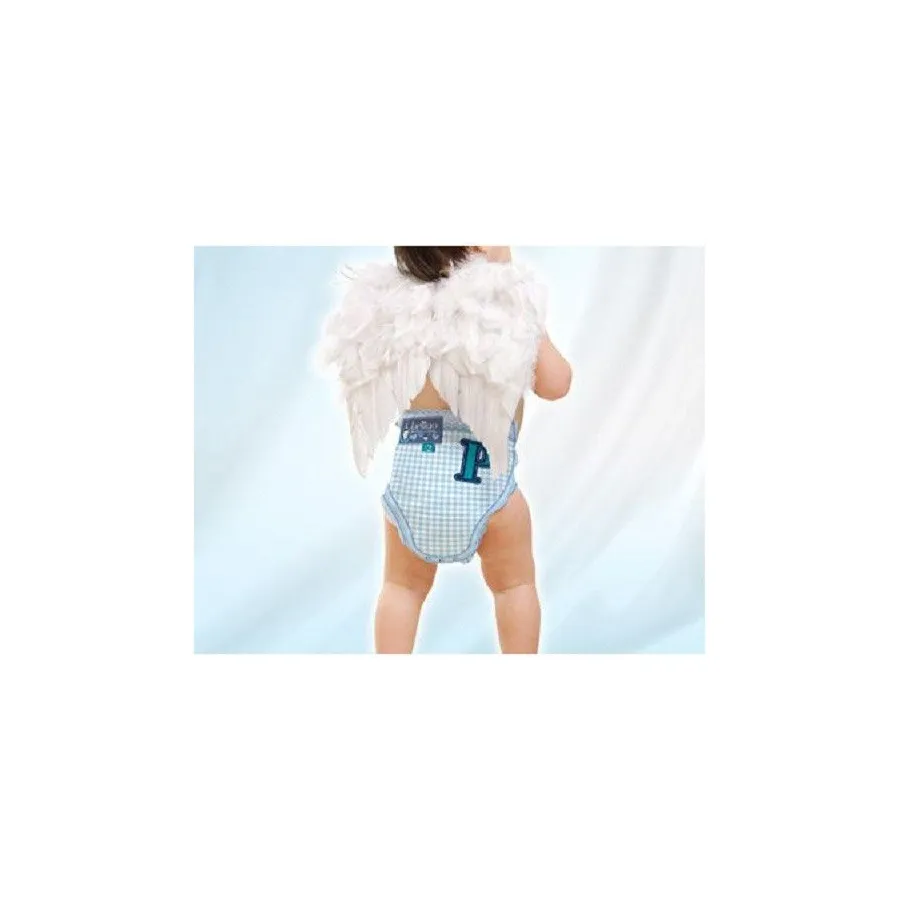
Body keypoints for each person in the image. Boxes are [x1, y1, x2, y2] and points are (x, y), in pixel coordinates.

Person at [319, 246, 572, 653]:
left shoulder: (394, 310)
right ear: (477, 248)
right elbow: (557, 384)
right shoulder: (506, 306)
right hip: (487, 483)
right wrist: (529, 317)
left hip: (413, 486)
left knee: (401, 589)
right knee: (514, 586)